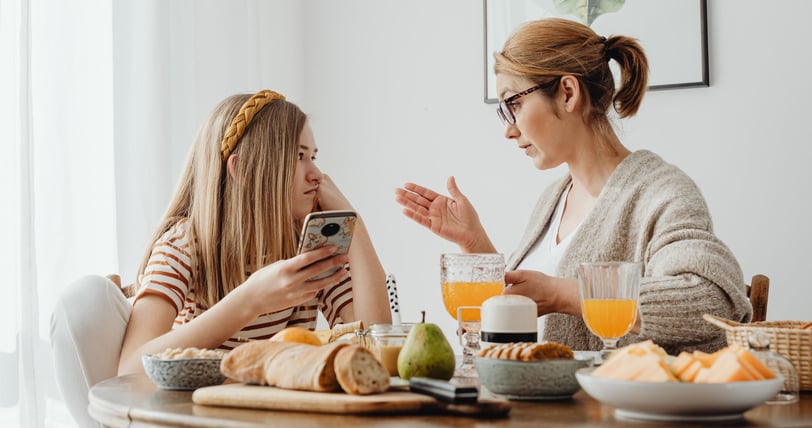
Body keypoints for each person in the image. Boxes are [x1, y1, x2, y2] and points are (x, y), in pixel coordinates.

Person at [395, 18, 751, 357]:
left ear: (567, 92)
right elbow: (526, 312)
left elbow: (712, 301)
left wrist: (562, 294)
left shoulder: (662, 194)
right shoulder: (553, 199)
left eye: (514, 103)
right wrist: (476, 245)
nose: (508, 128)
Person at [51, 89, 391, 426]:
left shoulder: (306, 251)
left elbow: (378, 343)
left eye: (314, 156)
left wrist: (354, 223)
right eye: (299, 156)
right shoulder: (185, 244)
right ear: (242, 169)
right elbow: (131, 369)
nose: (316, 173)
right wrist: (250, 300)